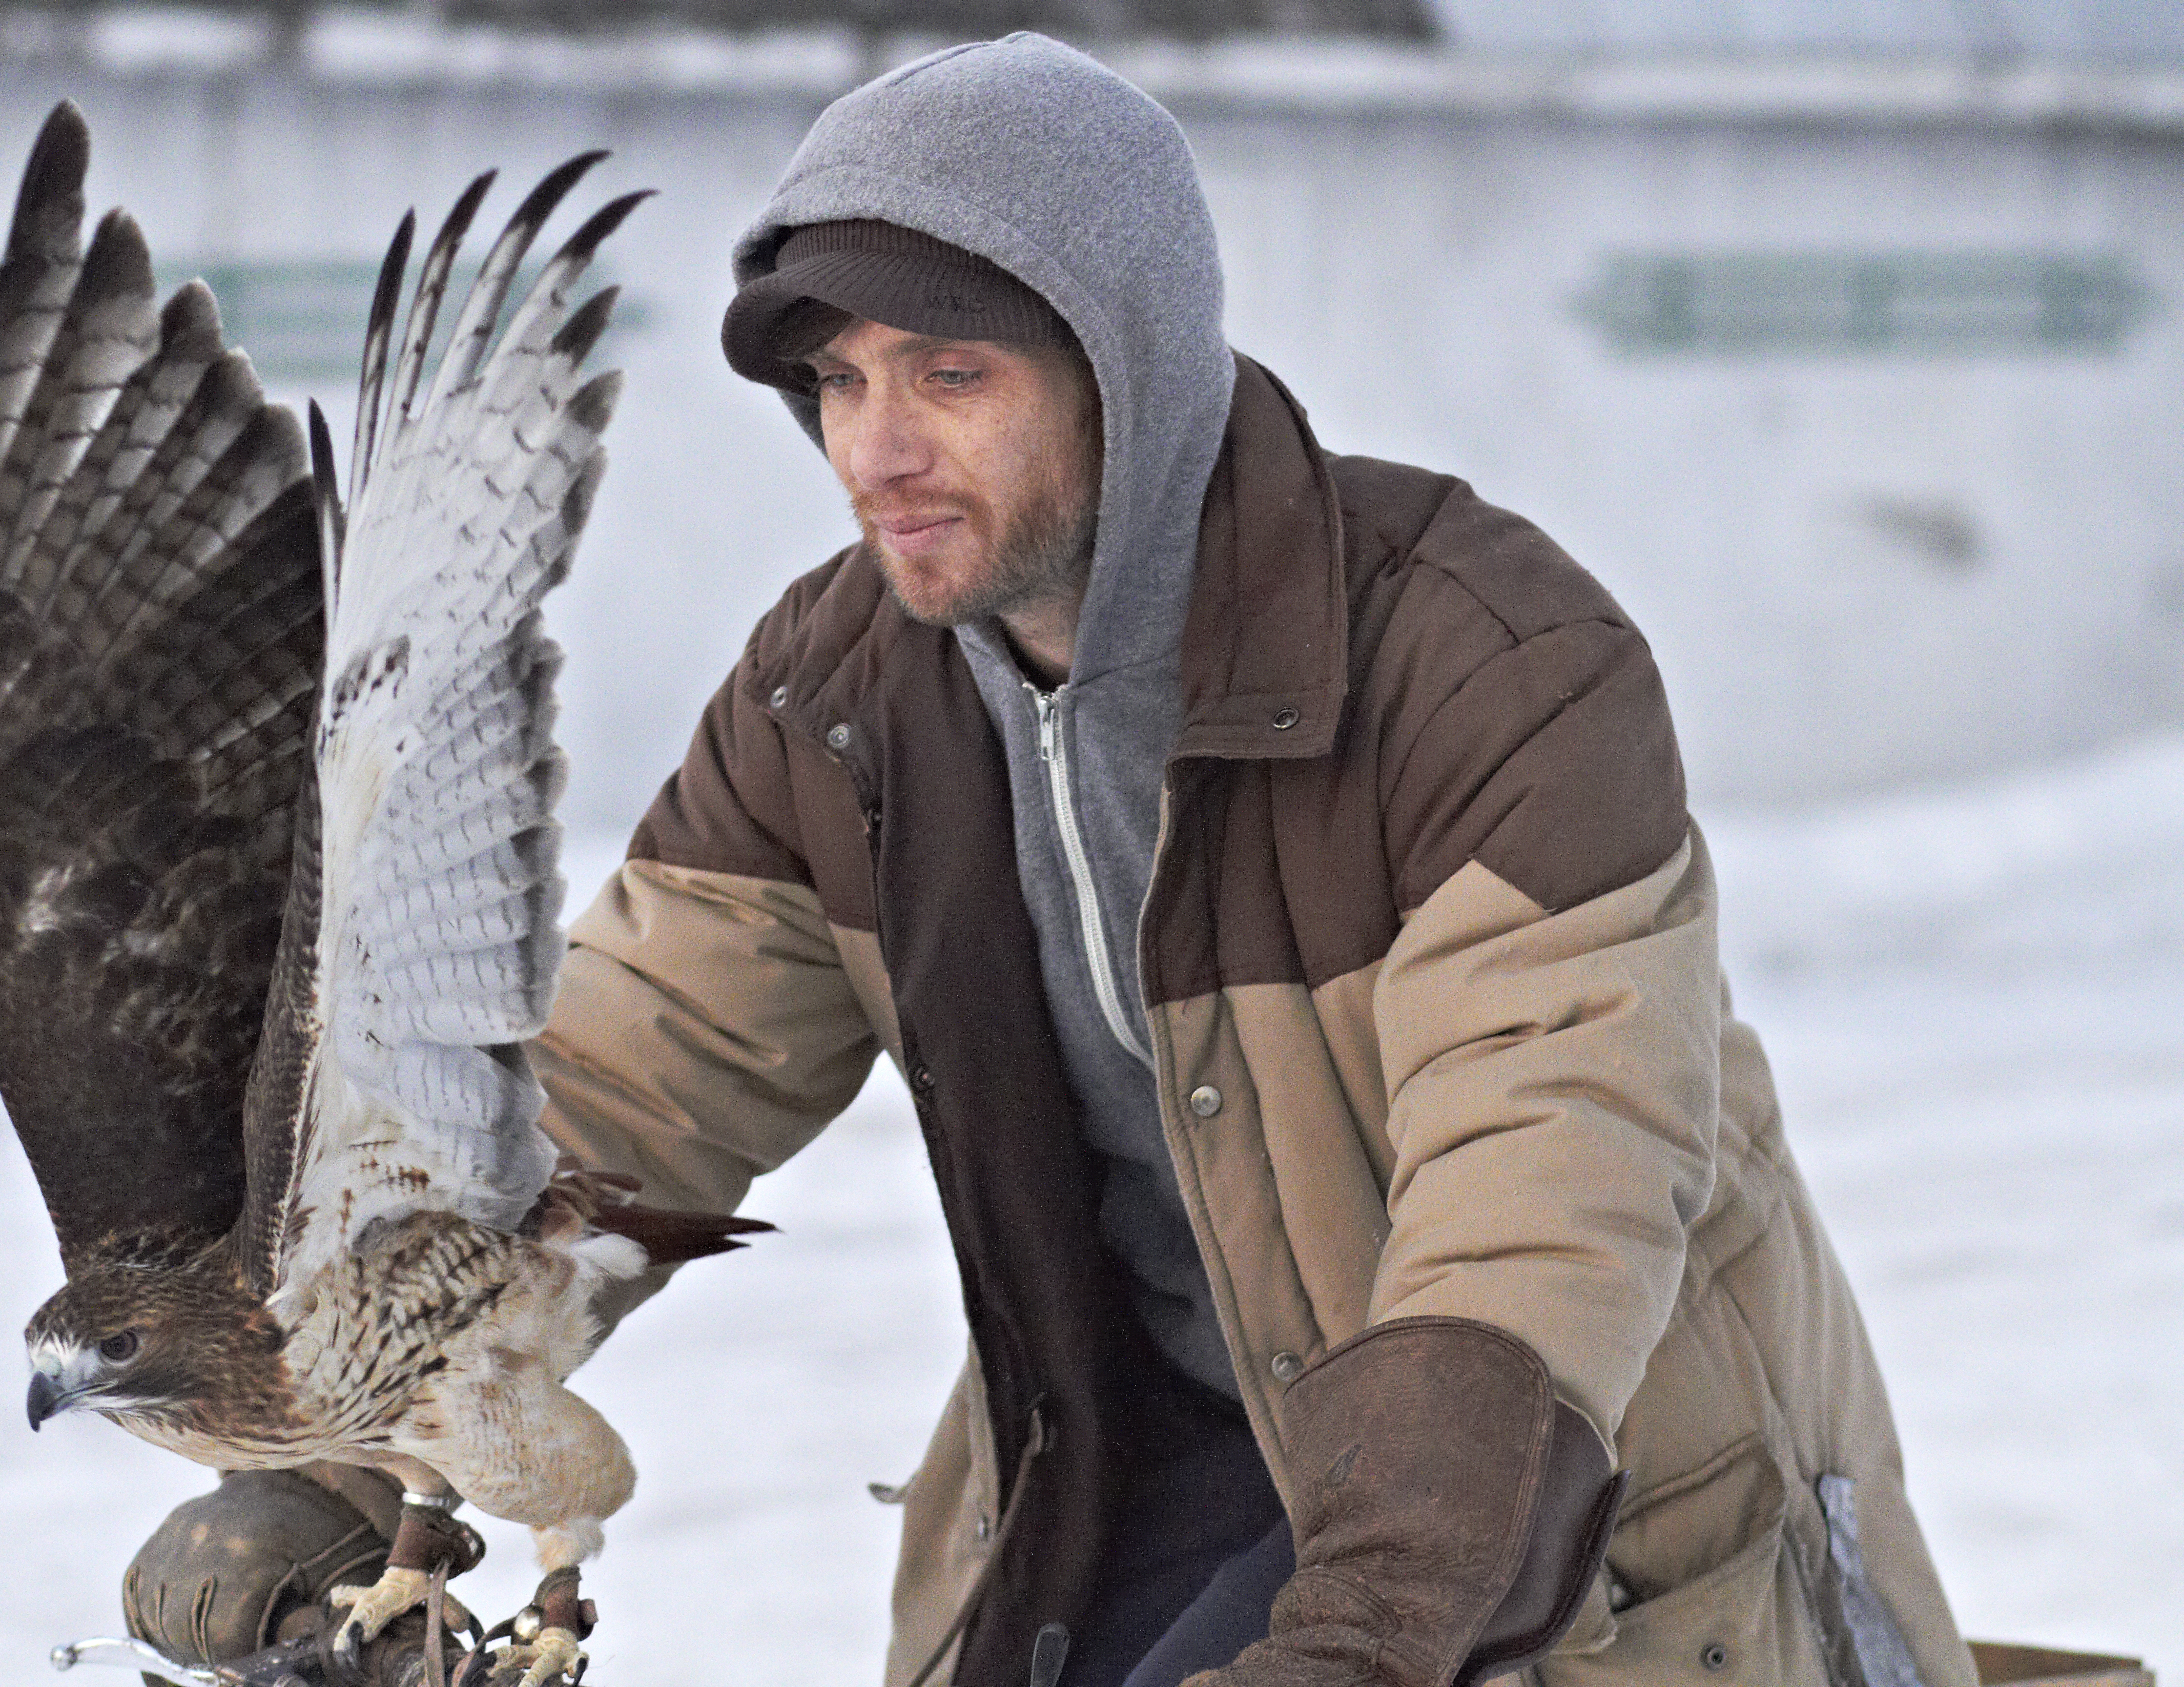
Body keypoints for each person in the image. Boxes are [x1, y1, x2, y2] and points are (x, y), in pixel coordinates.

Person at [124, 33, 1976, 1687]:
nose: (878, 449)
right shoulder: (834, 697)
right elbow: (609, 1096)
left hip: (1538, 1489)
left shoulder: (1484, 664)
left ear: (1129, 371)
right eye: (839, 384)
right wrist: (334, 1455)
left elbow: (1540, 1207)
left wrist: (1360, 1644)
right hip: (1130, 1444)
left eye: (950, 373)